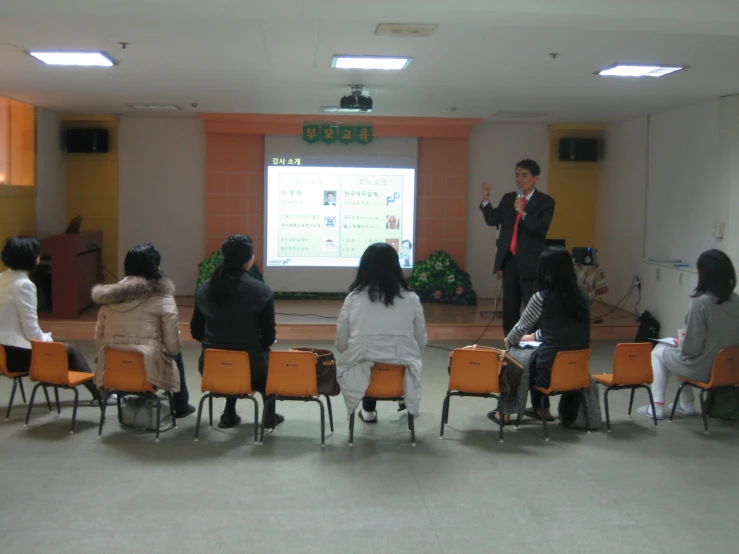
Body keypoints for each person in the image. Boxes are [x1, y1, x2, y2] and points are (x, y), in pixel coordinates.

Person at [489, 246, 590, 424]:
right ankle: (541, 409)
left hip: (548, 372)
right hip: (577, 371)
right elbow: (562, 330)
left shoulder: (542, 297)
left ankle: (503, 412)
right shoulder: (582, 298)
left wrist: (509, 340)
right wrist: (534, 336)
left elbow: (519, 329)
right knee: (536, 354)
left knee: (517, 359)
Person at [190, 234, 282, 429]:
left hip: (211, 368)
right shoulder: (261, 292)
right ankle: (268, 416)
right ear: (249, 260)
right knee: (266, 360)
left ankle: (229, 414)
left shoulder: (204, 289)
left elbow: (196, 331)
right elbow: (268, 338)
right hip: (251, 370)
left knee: (230, 354)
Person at [92, 244, 195, 417]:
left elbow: (98, 339)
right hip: (147, 365)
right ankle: (180, 405)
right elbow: (172, 346)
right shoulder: (162, 296)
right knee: (177, 354)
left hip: (113, 367)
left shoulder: (109, 296)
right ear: (154, 267)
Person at [638, 249, 739, 420]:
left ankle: (657, 406)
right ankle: (686, 404)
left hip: (703, 369)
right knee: (676, 354)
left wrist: (680, 344)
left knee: (660, 352)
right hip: (729, 369)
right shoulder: (735, 300)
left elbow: (691, 349)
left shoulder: (702, 303)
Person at [0, 236, 100, 403]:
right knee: (69, 350)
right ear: (31, 258)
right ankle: (99, 394)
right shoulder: (24, 285)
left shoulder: (2, 278)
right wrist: (49, 340)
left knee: (63, 348)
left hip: (2, 351)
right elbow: (31, 331)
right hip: (13, 354)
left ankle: (98, 393)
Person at [335, 242, 427, 422]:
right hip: (401, 368)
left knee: (363, 359)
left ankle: (368, 410)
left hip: (364, 373)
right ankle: (401, 394)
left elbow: (341, 343)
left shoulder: (353, 299)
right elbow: (420, 342)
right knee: (402, 357)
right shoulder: (411, 299)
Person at [480, 159, 555, 336]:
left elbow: (541, 229)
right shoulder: (508, 198)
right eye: (517, 175)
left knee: (532, 306)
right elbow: (493, 219)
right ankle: (510, 344)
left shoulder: (546, 202)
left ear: (536, 177)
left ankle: (533, 344)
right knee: (509, 307)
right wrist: (485, 199)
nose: (519, 179)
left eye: (524, 175)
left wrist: (523, 213)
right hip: (509, 261)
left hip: (531, 263)